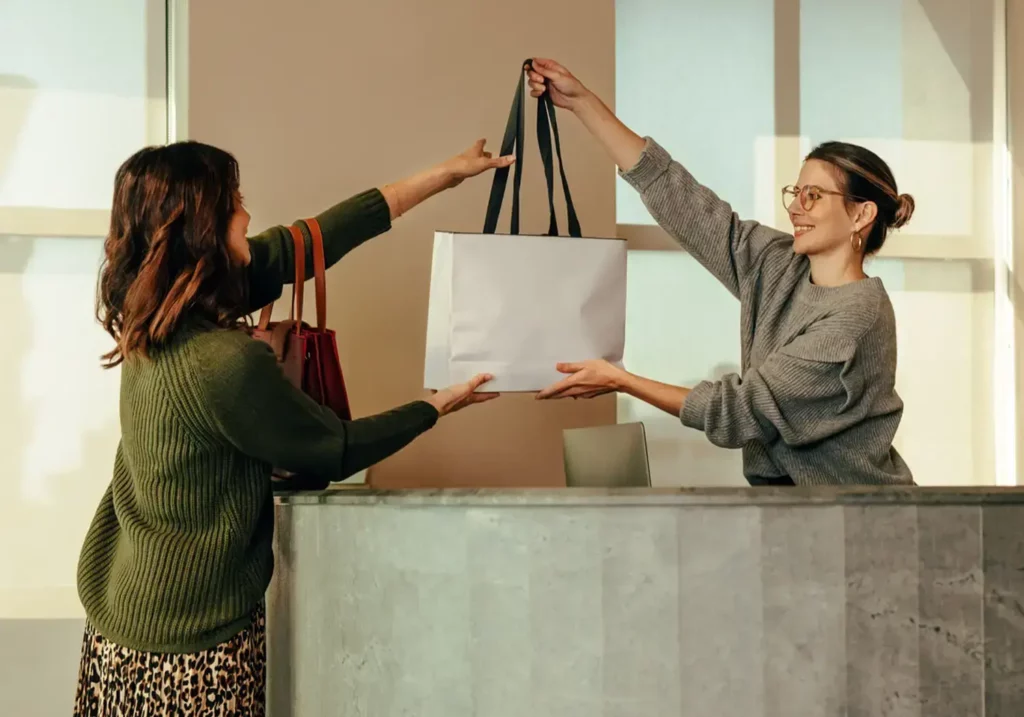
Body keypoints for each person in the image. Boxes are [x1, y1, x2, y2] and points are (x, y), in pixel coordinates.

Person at [73, 138, 510, 715]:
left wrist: (444, 176)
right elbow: (332, 448)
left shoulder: (150, 309)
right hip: (191, 645)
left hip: (120, 613)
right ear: (202, 224)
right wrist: (436, 406)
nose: (248, 214)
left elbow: (306, 243)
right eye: (235, 201)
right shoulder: (223, 364)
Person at [528, 57, 914, 487]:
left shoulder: (855, 318)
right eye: (795, 192)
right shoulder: (779, 263)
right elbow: (688, 204)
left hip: (860, 521)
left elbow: (741, 411)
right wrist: (583, 104)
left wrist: (622, 380)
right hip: (794, 515)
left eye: (813, 195)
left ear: (862, 214)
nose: (794, 207)